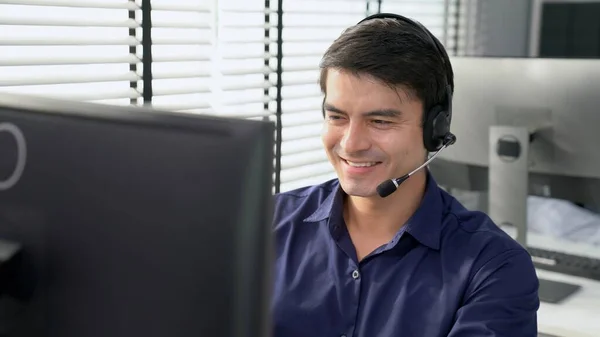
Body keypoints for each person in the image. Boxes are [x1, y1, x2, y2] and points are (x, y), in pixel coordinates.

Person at [271, 13, 540, 337]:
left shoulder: (494, 268)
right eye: (337, 116)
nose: (351, 144)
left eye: (380, 122)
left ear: (435, 131)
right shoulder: (264, 226)